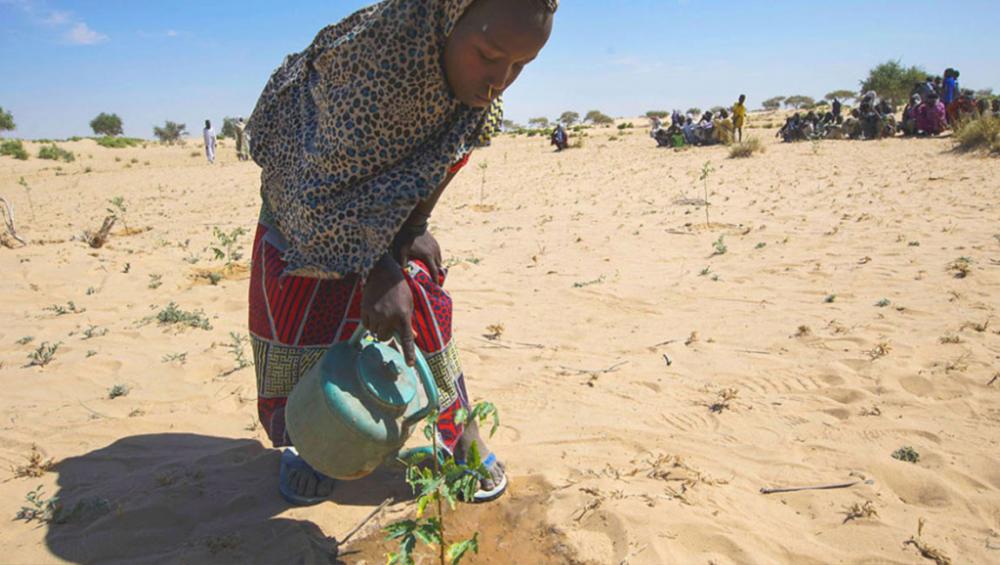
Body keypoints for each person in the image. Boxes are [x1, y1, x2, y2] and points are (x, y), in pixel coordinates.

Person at [244, 0, 556, 506]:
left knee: (420, 299)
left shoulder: (477, 90)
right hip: (304, 198)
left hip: (384, 202)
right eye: (489, 55)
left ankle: (459, 431)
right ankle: (310, 442)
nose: (501, 78)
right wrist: (376, 271)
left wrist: (413, 226)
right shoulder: (367, 71)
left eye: (520, 66)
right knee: (307, 309)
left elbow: (451, 152)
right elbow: (317, 188)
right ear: (448, 22)